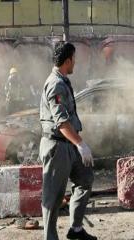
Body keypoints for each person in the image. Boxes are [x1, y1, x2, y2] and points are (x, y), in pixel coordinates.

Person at [39, 42, 96, 240]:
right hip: (57, 146)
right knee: (53, 197)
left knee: (85, 179)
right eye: (74, 59)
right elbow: (61, 121)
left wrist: (77, 144)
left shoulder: (62, 80)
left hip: (68, 144)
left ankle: (76, 229)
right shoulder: (55, 84)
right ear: (68, 60)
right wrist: (81, 144)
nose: (76, 63)